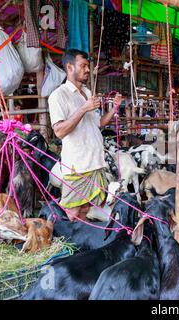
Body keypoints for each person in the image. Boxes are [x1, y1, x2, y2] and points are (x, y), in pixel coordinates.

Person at [48, 49, 122, 222]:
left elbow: (98, 124)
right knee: (72, 211)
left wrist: (114, 109)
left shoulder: (87, 94)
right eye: (83, 66)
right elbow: (59, 131)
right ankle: (68, 238)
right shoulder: (58, 96)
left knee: (87, 207)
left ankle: (80, 240)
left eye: (87, 66)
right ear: (69, 67)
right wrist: (83, 108)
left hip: (95, 161)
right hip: (77, 164)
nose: (87, 70)